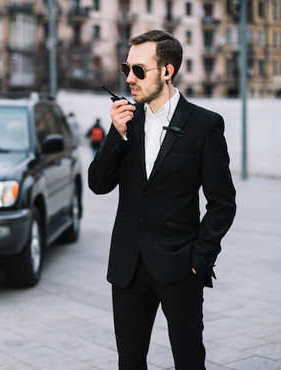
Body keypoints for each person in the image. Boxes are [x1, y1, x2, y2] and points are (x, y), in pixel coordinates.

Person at [88, 30, 236, 370]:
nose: (129, 78)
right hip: (128, 265)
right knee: (130, 361)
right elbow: (98, 184)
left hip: (180, 266)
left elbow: (223, 202)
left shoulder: (204, 125)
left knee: (188, 360)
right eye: (127, 68)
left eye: (139, 70)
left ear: (167, 71)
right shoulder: (127, 120)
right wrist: (116, 135)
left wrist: (199, 259)